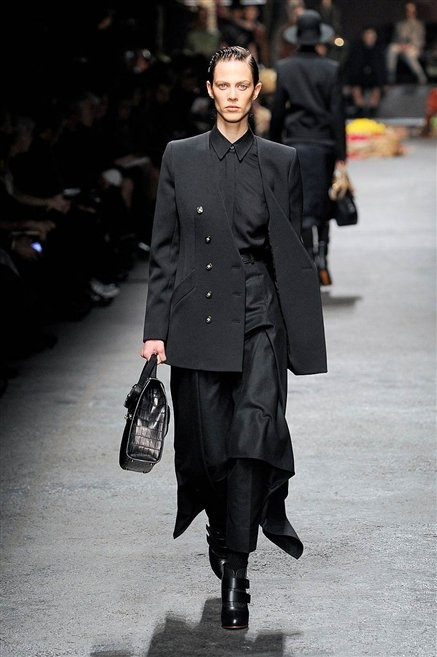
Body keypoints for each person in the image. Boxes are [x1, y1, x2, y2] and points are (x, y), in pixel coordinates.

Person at [141, 46, 327, 630]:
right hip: (197, 315)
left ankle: (236, 574)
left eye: (241, 85)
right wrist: (154, 330)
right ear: (210, 89)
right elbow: (165, 248)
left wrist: (298, 332)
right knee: (209, 451)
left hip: (258, 315)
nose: (231, 95)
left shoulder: (281, 161)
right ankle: (222, 530)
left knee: (253, 439)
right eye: (222, 85)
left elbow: (288, 252)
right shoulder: (180, 156)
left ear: (255, 92)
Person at [269, 10, 347, 286]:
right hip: (323, 145)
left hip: (294, 145)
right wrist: (342, 154)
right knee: (324, 203)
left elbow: (278, 112)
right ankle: (323, 255)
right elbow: (337, 113)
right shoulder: (331, 69)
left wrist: (272, 146)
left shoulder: (285, 68)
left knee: (299, 206)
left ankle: (309, 259)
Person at [346, 26, 387, 118]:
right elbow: (352, 68)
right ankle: (360, 111)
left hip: (374, 79)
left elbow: (382, 69)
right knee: (356, 91)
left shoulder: (379, 50)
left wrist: (383, 83)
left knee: (376, 92)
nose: (370, 39)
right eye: (368, 36)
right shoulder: (357, 50)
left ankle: (372, 113)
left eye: (372, 36)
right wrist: (350, 84)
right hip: (359, 78)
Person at [386, 1, 427, 85]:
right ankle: (390, 74)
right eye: (408, 10)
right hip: (400, 46)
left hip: (414, 48)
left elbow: (420, 40)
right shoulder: (400, 24)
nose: (410, 13)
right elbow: (395, 38)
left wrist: (408, 46)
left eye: (412, 11)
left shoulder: (419, 25)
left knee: (408, 54)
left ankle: (420, 75)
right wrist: (401, 44)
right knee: (391, 49)